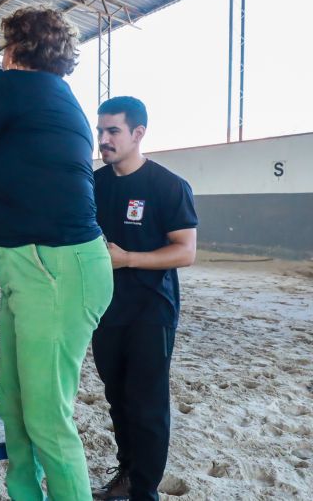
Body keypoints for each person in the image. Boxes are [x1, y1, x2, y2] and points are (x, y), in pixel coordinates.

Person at [0, 6, 113, 501]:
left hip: (52, 266)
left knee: (48, 419)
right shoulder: (57, 96)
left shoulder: (12, 87)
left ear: (14, 50)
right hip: (29, 265)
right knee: (12, 405)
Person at [91, 96, 198, 501]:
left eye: (112, 131)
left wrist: (128, 260)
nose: (103, 139)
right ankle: (127, 475)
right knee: (117, 396)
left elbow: (185, 251)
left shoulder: (167, 185)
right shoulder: (94, 184)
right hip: (104, 309)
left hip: (152, 311)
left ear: (138, 134)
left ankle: (145, 490)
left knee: (147, 403)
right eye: (100, 131)